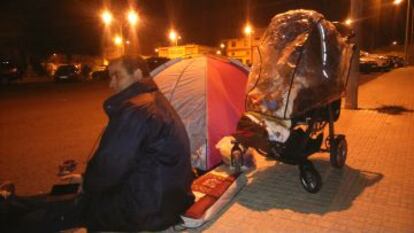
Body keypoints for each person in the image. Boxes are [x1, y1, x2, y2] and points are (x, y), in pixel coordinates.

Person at [0, 56, 195, 232]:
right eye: (110, 77)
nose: (111, 84)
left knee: (71, 206)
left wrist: (87, 183)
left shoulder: (137, 110)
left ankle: (9, 218)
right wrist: (86, 179)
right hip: (161, 198)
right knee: (68, 195)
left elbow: (108, 169)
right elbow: (130, 163)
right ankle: (12, 202)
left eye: (117, 76)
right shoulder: (153, 101)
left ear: (137, 74)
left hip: (146, 210)